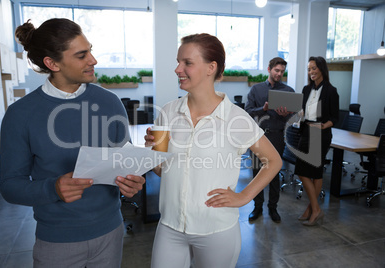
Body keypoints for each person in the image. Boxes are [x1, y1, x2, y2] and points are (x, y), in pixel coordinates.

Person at [0, 18, 145, 267]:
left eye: (91, 50)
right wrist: (52, 189)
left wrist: (132, 181)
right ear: (52, 63)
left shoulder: (110, 102)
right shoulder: (20, 114)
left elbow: (125, 161)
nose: (93, 60)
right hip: (57, 243)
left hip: (111, 233)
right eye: (81, 55)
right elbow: (10, 186)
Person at [144, 33, 282, 268]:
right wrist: (153, 154)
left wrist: (244, 196)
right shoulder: (167, 112)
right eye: (178, 62)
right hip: (170, 227)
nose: (178, 69)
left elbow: (274, 161)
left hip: (216, 230)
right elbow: (163, 171)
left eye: (187, 62)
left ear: (211, 67)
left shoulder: (236, 118)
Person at [244, 57, 294, 223]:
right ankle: (257, 207)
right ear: (269, 69)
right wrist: (263, 109)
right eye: (276, 70)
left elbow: (295, 117)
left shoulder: (288, 91)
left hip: (277, 135)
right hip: (257, 136)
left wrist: (287, 114)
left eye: (282, 71)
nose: (279, 74)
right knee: (257, 172)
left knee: (274, 173)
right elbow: (248, 112)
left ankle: (273, 208)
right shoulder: (256, 90)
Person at [294, 56, 339, 226]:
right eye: (309, 69)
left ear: (321, 69)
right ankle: (315, 208)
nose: (311, 72)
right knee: (301, 169)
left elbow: (336, 116)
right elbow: (305, 110)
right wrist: (301, 114)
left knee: (315, 172)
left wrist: (324, 125)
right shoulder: (306, 90)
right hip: (306, 131)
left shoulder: (331, 91)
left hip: (321, 134)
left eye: (313, 68)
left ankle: (312, 210)